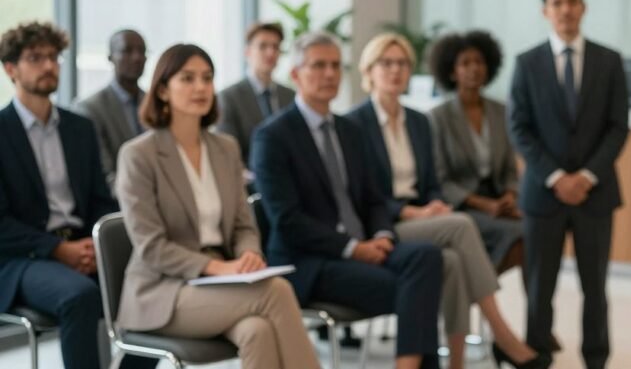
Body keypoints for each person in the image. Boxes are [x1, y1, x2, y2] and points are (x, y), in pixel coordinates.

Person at [347, 32, 547, 369]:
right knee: (461, 224)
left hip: (426, 218)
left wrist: (435, 205)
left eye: (402, 64)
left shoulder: (419, 121)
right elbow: (362, 194)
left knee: (452, 261)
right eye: (387, 63)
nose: (395, 71)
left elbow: (432, 183)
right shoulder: (354, 124)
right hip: (384, 223)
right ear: (369, 71)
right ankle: (503, 335)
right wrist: (413, 212)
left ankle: (456, 363)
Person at [116, 44, 320, 369]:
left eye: (207, 78)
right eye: (187, 78)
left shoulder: (225, 148)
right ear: (163, 91)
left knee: (257, 331)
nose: (200, 87)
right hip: (162, 291)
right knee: (276, 291)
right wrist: (217, 268)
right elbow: (151, 247)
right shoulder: (139, 155)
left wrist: (248, 255)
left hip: (222, 283)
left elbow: (243, 225)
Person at [251, 31, 443, 369]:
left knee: (427, 258)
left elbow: (373, 199)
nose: (329, 74)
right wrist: (354, 249)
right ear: (295, 75)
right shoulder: (273, 136)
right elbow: (288, 220)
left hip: (362, 246)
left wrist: (382, 235)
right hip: (308, 261)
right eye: (319, 66)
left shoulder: (350, 130)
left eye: (336, 66)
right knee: (410, 289)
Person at [0, 21, 154, 369]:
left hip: (83, 246)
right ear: (11, 69)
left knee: (153, 282)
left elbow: (100, 200)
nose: (49, 65)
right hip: (23, 259)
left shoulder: (78, 127)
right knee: (80, 296)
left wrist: (96, 246)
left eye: (54, 57)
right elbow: (1, 224)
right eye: (35, 58)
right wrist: (58, 249)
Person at [507, 0, 629, 369]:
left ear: (583, 7)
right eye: (557, 3)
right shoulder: (526, 63)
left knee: (595, 286)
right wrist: (557, 177)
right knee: (540, 286)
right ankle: (537, 356)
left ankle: (596, 360)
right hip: (544, 195)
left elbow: (617, 126)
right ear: (546, 11)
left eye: (572, 1)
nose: (565, 9)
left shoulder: (609, 61)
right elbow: (519, 129)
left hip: (596, 193)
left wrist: (586, 176)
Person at [428, 30, 523, 270]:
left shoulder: (501, 112)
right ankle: (481, 291)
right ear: (452, 71)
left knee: (537, 228)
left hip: (499, 201)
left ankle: (525, 304)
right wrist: (485, 205)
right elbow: (441, 180)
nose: (474, 69)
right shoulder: (438, 118)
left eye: (479, 62)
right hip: (462, 205)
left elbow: (510, 169)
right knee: (519, 234)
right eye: (465, 63)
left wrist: (510, 196)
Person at [75, 28, 148, 192]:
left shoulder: (157, 104)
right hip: (119, 202)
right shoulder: (90, 108)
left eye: (141, 51)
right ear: (110, 57)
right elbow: (104, 172)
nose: (136, 57)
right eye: (127, 51)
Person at [217, 21, 295, 167]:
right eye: (263, 46)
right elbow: (227, 151)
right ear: (247, 52)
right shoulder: (228, 97)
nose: (270, 52)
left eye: (275, 47)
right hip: (248, 180)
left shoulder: (290, 96)